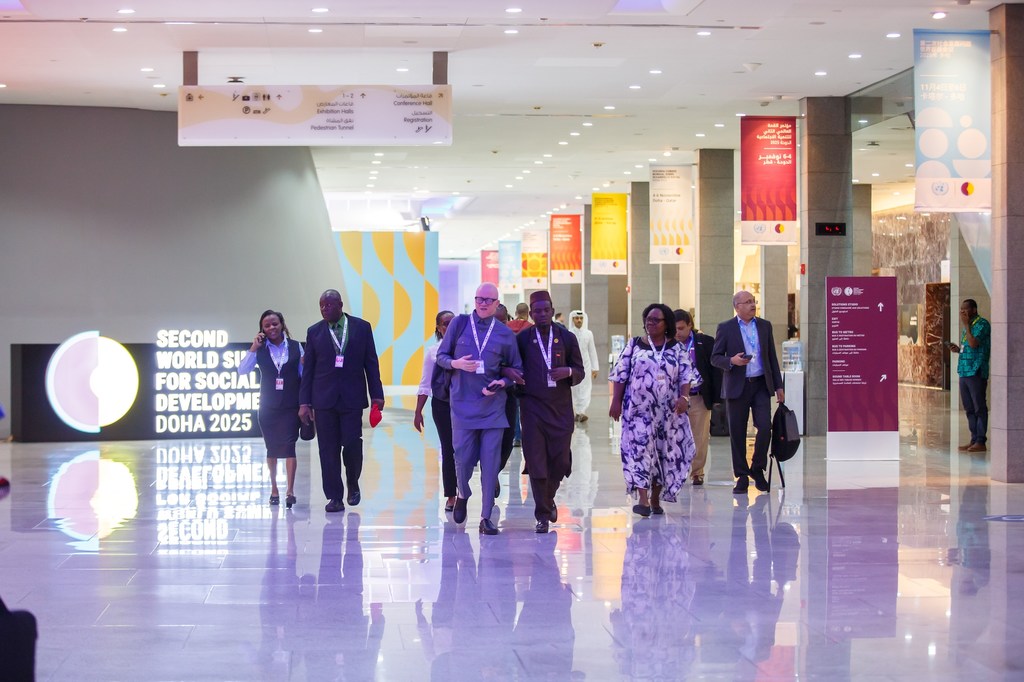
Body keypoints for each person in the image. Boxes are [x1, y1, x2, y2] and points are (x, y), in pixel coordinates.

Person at [435, 282, 523, 535]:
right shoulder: (459, 324)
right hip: (462, 406)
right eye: (479, 298)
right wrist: (456, 363)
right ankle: (463, 492)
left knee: (491, 463)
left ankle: (486, 517)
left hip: (493, 407)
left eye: (489, 300)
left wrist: (503, 382)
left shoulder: (505, 333)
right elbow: (441, 357)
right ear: (474, 301)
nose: (483, 303)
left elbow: (517, 370)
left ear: (497, 304)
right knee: (461, 460)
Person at [505, 291, 585, 533]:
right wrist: (513, 376)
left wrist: (568, 372)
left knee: (560, 460)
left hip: (560, 408)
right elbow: (512, 367)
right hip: (532, 408)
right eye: (536, 311)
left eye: (545, 310)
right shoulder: (523, 339)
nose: (541, 314)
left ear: (552, 310)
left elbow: (580, 370)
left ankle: (549, 497)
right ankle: (541, 513)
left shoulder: (567, 337)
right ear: (531, 313)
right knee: (536, 459)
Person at [299, 289, 384, 513]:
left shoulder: (361, 327)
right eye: (321, 306)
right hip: (323, 400)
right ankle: (334, 496)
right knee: (327, 449)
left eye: (329, 305)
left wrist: (377, 394)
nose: (325, 309)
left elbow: (371, 363)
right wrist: (304, 402)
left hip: (352, 398)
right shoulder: (314, 332)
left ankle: (353, 482)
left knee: (353, 444)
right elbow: (308, 370)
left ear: (340, 304)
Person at [609, 303, 697, 516]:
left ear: (666, 323)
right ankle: (642, 499)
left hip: (668, 413)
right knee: (639, 450)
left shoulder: (676, 348)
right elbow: (621, 374)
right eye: (648, 319)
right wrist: (616, 402)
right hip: (638, 411)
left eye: (656, 320)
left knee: (663, 453)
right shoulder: (635, 345)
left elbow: (686, 376)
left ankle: (655, 497)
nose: (650, 323)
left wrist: (684, 397)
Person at [711, 291, 784, 495]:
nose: (753, 305)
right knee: (737, 432)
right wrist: (731, 361)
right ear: (737, 306)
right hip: (737, 385)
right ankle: (741, 475)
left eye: (753, 301)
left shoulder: (764, 326)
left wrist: (779, 386)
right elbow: (715, 358)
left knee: (765, 427)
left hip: (760, 384)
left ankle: (757, 468)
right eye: (748, 302)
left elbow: (771, 358)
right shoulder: (726, 328)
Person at [238, 309, 304, 508]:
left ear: (282, 324)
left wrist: (306, 403)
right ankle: (274, 488)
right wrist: (253, 347)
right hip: (268, 407)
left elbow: (303, 374)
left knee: (290, 446)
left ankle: (290, 491)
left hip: (291, 405)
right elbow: (242, 371)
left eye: (274, 324)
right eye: (267, 325)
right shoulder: (260, 349)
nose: (271, 328)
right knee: (272, 448)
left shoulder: (296, 347)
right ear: (262, 329)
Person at [414, 311, 458, 512]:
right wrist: (418, 411)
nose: (449, 327)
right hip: (442, 404)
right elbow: (425, 383)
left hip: (466, 404)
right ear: (439, 328)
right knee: (448, 448)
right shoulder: (434, 352)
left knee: (468, 448)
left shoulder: (467, 348)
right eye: (445, 324)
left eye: (452, 323)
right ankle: (451, 494)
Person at [674, 309, 720, 486]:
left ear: (690, 326)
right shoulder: (668, 344)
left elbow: (715, 371)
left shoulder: (704, 342)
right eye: (674, 328)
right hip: (676, 398)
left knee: (699, 437)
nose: (677, 332)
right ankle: (677, 470)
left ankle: (697, 472)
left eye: (681, 328)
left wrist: (716, 397)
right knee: (675, 436)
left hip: (698, 396)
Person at [949, 298, 991, 453]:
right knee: (969, 407)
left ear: (974, 310)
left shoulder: (982, 324)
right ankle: (974, 439)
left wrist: (966, 325)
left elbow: (974, 344)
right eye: (961, 310)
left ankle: (981, 441)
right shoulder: (967, 327)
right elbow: (967, 347)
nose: (962, 313)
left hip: (976, 370)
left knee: (979, 406)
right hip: (964, 370)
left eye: (965, 310)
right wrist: (957, 349)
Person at [569, 309, 600, 422]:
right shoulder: (569, 333)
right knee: (575, 389)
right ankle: (576, 411)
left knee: (586, 389)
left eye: (581, 318)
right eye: (577, 318)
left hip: (586, 366)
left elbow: (592, 351)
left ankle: (581, 412)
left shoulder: (588, 334)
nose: (579, 320)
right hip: (573, 366)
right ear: (573, 319)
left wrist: (595, 368)